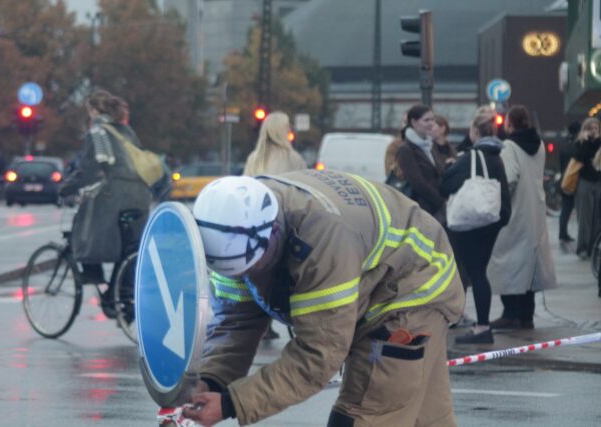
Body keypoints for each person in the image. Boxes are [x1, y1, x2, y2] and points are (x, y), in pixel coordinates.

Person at [184, 170, 465, 426]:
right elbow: (236, 322)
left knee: (363, 413)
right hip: (376, 277)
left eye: (253, 266)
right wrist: (210, 382)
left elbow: (318, 353)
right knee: (428, 420)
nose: (247, 275)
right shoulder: (229, 227)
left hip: (412, 286)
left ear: (274, 232)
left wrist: (232, 403)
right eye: (237, 272)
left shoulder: (322, 241)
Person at [59, 90, 151, 308]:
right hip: (140, 195)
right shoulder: (126, 131)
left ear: (94, 110)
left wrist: (66, 188)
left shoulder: (99, 131)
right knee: (130, 247)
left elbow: (90, 168)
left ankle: (93, 273)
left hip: (117, 193)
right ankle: (120, 294)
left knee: (83, 223)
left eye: (89, 111)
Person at [440, 109, 511, 344]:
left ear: (475, 132)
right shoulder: (496, 156)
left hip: (472, 224)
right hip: (492, 221)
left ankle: (482, 327)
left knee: (476, 274)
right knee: (481, 272)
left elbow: (445, 184)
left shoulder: (472, 157)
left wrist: (452, 166)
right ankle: (483, 325)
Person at [487, 105, 557, 330]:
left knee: (508, 261)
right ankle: (527, 315)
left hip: (515, 211)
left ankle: (511, 313)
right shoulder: (539, 145)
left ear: (509, 123)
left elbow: (508, 177)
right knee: (531, 265)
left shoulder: (509, 146)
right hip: (535, 210)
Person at [243, 111, 307, 340]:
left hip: (258, 225)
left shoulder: (254, 158)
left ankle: (261, 323)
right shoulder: (293, 159)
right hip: (285, 224)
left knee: (260, 273)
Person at [396, 104, 447, 222]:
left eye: (432, 119)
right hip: (420, 209)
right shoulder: (406, 149)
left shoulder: (431, 145)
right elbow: (417, 183)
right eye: (426, 120)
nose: (431, 123)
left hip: (435, 208)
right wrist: (440, 201)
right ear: (414, 122)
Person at [571, 117, 601, 259]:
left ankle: (593, 247)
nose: (594, 131)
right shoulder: (581, 143)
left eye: (596, 128)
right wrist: (587, 141)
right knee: (585, 216)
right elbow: (580, 158)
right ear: (586, 130)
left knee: (597, 217)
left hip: (598, 181)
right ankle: (582, 247)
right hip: (585, 181)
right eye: (591, 128)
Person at [243, 111, 306, 176]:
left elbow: (246, 183)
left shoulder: (254, 158)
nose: (289, 130)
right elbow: (303, 183)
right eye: (287, 126)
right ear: (281, 131)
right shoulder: (294, 159)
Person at [558, 121, 581, 244]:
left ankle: (562, 232)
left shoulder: (564, 143)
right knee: (570, 208)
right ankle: (564, 233)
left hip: (564, 179)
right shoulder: (576, 145)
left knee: (565, 208)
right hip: (573, 180)